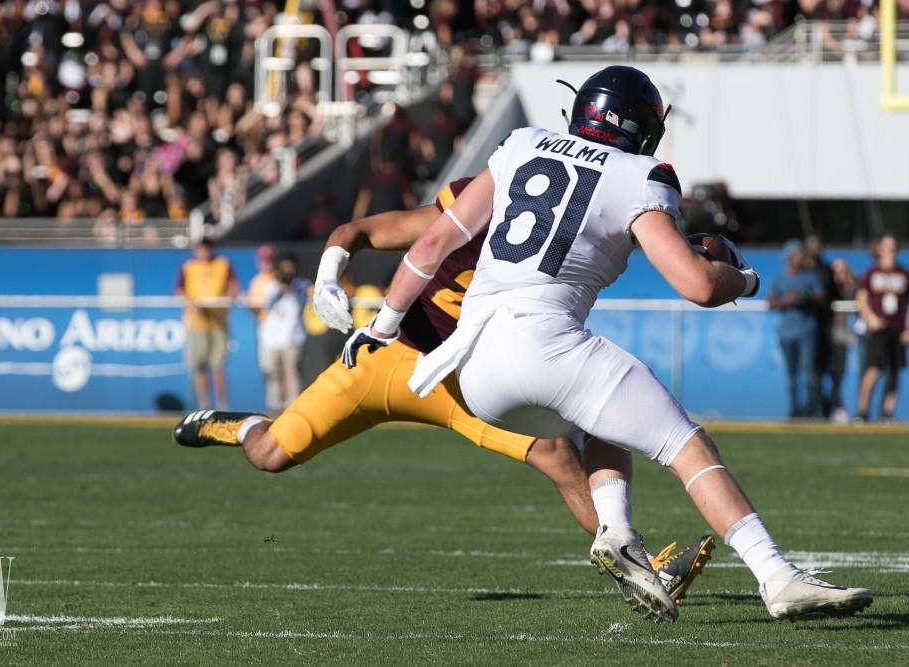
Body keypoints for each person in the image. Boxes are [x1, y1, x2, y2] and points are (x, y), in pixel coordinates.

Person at [342, 66, 871, 623]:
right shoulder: (643, 173)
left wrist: (382, 325)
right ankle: (777, 576)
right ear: (640, 126)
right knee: (687, 446)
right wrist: (746, 278)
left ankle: (616, 532)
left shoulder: (521, 143)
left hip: (473, 369)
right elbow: (696, 285)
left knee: (603, 414)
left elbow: (433, 241)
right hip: (543, 343)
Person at [174, 184, 716, 608]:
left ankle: (638, 568)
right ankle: (240, 425)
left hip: (463, 375)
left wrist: (697, 252)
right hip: (387, 358)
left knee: (559, 456)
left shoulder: (579, 216)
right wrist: (328, 275)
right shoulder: (469, 206)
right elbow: (356, 229)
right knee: (270, 454)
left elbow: (646, 243)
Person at [855, 234, 909, 422]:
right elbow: (861, 298)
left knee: (895, 371)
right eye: (886, 247)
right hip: (879, 329)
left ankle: (887, 413)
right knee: (873, 370)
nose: (890, 252)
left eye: (893, 248)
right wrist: (871, 318)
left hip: (897, 329)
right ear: (880, 249)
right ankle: (863, 412)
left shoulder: (904, 274)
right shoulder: (872, 273)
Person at [175, 239, 239, 409]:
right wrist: (192, 303)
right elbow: (179, 290)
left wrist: (228, 297)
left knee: (217, 366)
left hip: (218, 323)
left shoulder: (222, 263)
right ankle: (204, 405)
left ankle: (222, 405)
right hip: (195, 324)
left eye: (206, 249)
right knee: (199, 367)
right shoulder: (188, 266)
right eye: (200, 249)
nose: (203, 252)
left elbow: (233, 286)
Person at [767, 240, 824, 419]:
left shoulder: (810, 276)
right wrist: (788, 300)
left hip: (807, 330)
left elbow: (819, 296)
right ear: (791, 257)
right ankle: (795, 408)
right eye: (799, 254)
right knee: (791, 375)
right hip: (787, 332)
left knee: (809, 373)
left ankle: (811, 408)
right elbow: (771, 302)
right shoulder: (780, 277)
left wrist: (804, 295)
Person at [257, 255, 309, 413]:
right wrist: (280, 287)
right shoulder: (271, 285)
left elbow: (299, 303)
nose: (288, 271)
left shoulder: (302, 285)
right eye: (285, 268)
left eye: (290, 268)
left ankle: (293, 405)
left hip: (293, 337)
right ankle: (275, 405)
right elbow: (267, 306)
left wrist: (289, 288)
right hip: (271, 338)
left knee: (293, 372)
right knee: (273, 373)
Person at [804, 233, 838, 417]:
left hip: (824, 326)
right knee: (808, 370)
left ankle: (825, 407)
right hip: (805, 326)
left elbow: (832, 295)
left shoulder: (826, 269)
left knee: (828, 369)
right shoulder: (800, 270)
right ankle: (809, 407)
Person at [829, 259, 857, 423]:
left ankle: (838, 407)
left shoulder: (852, 289)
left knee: (839, 373)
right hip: (826, 336)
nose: (839, 276)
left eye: (842, 271)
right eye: (836, 272)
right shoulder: (828, 288)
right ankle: (830, 406)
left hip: (842, 337)